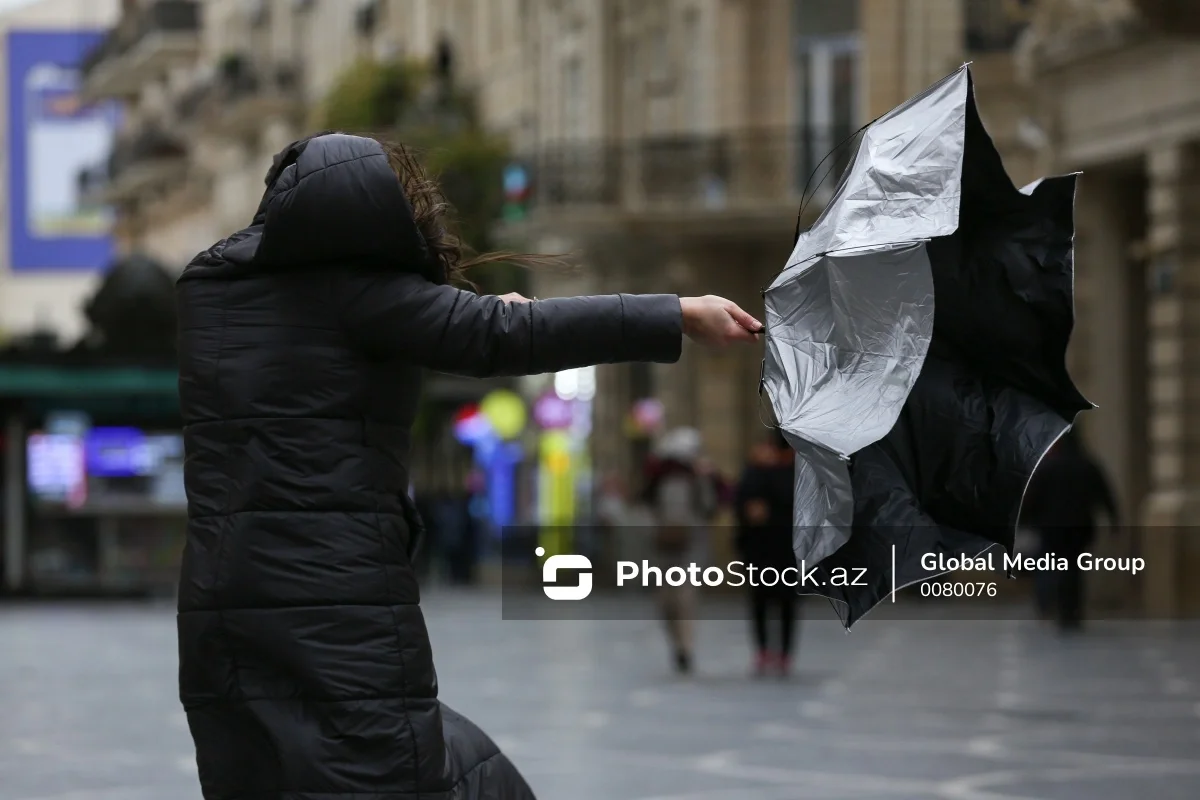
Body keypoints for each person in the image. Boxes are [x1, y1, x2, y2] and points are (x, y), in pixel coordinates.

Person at [174, 132, 762, 800]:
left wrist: (456, 312)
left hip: (220, 602)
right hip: (336, 598)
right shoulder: (367, 297)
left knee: (272, 779)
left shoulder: (210, 288)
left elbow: (318, 350)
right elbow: (491, 337)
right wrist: (680, 314)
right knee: (403, 775)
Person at [1020, 427, 1118, 632]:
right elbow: (1105, 495)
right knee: (1074, 568)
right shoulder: (1088, 465)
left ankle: (1052, 605)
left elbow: (1032, 499)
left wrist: (1023, 523)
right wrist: (1114, 522)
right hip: (1080, 527)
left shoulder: (1048, 467)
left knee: (1051, 566)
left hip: (1051, 529)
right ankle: (1072, 610)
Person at [643, 427, 722, 674]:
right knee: (666, 603)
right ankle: (677, 645)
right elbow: (645, 508)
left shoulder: (698, 479)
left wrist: (706, 479)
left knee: (686, 599)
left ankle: (685, 648)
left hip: (691, 548)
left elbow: (710, 507)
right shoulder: (657, 481)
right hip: (663, 549)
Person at [735, 428, 798, 677]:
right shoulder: (798, 470)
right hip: (782, 548)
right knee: (781, 603)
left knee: (765, 602)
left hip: (765, 547)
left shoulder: (756, 471)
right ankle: (780, 653)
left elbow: (744, 507)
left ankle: (769, 651)